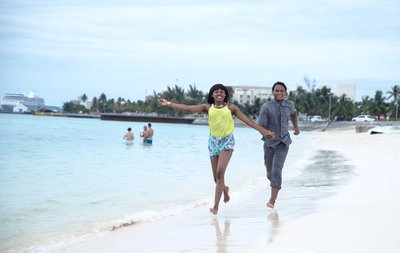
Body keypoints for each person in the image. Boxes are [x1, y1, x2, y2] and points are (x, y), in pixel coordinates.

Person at [159, 83, 275, 215]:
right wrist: (168, 103)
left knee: (220, 173)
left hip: (227, 141)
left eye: (221, 92)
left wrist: (264, 131)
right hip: (213, 142)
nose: (219, 94)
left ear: (225, 95)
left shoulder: (231, 107)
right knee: (216, 178)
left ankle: (215, 207)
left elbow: (248, 121)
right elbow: (186, 108)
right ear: (212, 94)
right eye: (216, 92)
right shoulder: (207, 107)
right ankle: (225, 189)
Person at [258, 81, 300, 209]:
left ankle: (272, 200)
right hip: (269, 144)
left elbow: (293, 114)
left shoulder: (289, 105)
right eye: (277, 90)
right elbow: (260, 126)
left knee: (277, 170)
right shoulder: (266, 107)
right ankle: (275, 184)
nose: (279, 93)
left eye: (282, 91)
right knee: (270, 173)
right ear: (273, 92)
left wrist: (296, 128)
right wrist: (266, 133)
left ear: (285, 93)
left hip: (283, 142)